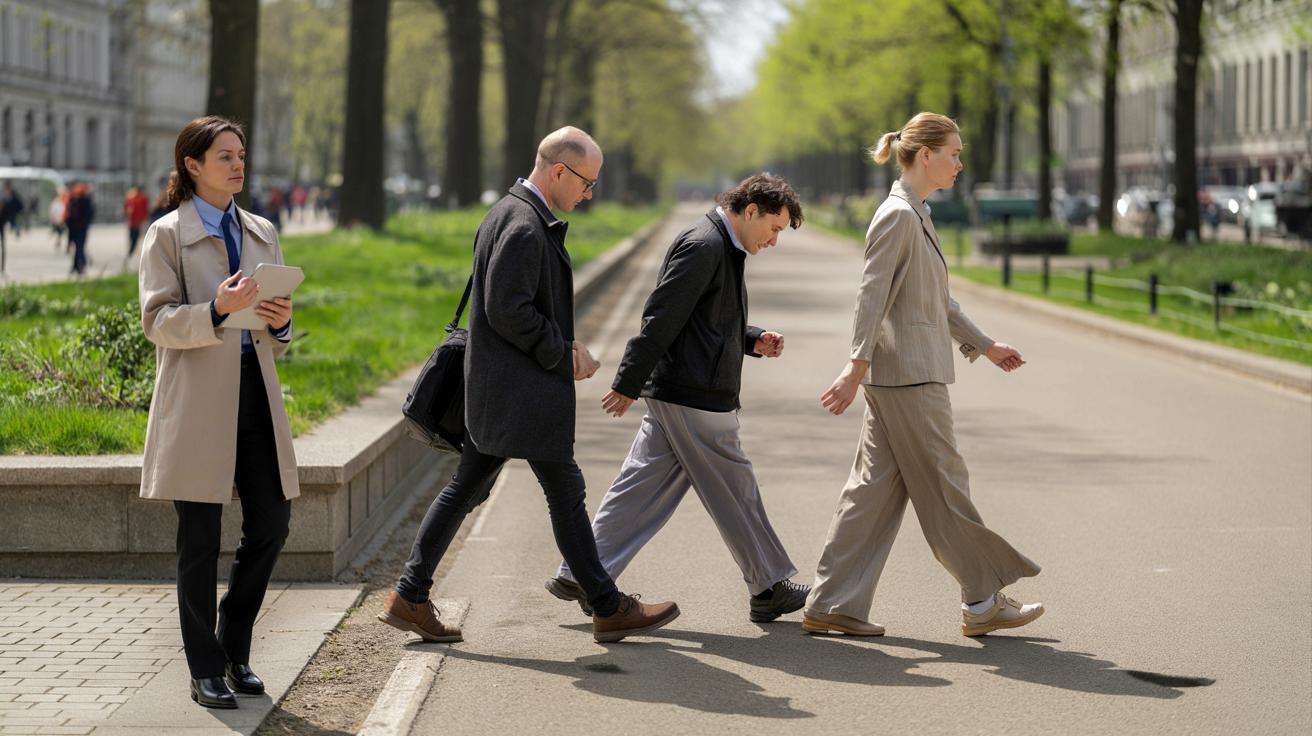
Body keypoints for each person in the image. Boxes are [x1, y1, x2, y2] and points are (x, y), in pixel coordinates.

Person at [378, 126, 679, 645]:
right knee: (563, 491)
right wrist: (561, 352)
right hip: (522, 393)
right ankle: (608, 606)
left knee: (469, 487)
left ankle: (411, 594)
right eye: (586, 182)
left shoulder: (510, 211)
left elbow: (512, 305)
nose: (589, 194)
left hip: (502, 389)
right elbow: (507, 308)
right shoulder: (524, 224)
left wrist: (565, 345)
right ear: (559, 171)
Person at [803, 112, 1043, 638]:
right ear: (926, 155)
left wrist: (985, 345)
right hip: (910, 378)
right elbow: (872, 295)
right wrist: (855, 366)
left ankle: (831, 602)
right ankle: (982, 603)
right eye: (954, 154)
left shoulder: (913, 213)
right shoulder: (898, 216)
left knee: (870, 494)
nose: (959, 164)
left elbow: (935, 299)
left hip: (900, 376)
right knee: (945, 488)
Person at [545, 174, 812, 623]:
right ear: (750, 211)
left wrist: (752, 339)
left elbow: (705, 319)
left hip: (689, 390)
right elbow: (661, 317)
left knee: (639, 488)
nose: (773, 240)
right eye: (774, 228)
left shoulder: (723, 245)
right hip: (694, 395)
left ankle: (581, 573)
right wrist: (628, 381)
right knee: (737, 490)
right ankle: (769, 587)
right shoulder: (704, 245)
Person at [138, 116, 297, 709]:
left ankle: (233, 645)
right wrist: (216, 310)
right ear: (193, 165)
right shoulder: (166, 235)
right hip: (198, 402)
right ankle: (205, 667)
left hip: (257, 395)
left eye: (241, 155)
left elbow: (275, 334)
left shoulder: (261, 230)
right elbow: (156, 321)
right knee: (200, 539)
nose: (237, 165)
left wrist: (281, 322)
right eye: (224, 156)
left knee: (273, 523)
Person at [65, 183, 95, 275]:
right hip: (78, 228)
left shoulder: (79, 201)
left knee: (79, 248)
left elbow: (70, 216)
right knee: (79, 248)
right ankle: (78, 265)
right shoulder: (80, 201)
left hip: (77, 228)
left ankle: (78, 266)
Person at [124, 185, 150, 263]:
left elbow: (145, 209)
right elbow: (126, 208)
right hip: (133, 222)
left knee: (135, 238)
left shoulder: (142, 198)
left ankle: (131, 252)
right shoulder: (132, 198)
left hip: (138, 222)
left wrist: (144, 218)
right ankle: (131, 252)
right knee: (133, 238)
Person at [0, 181, 22, 252]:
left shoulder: (12, 195)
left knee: (12, 224)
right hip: (5, 215)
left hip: (10, 214)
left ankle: (16, 230)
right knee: (11, 224)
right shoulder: (4, 194)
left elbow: (18, 204)